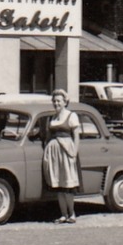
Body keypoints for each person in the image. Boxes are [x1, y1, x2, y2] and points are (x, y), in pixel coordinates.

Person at [43, 90, 82, 224]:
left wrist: (74, 154)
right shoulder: (52, 118)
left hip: (67, 152)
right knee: (59, 185)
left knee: (67, 185)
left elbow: (76, 136)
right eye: (54, 101)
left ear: (65, 102)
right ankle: (63, 214)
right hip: (54, 155)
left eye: (59, 101)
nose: (56, 103)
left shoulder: (71, 116)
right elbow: (48, 137)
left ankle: (72, 213)